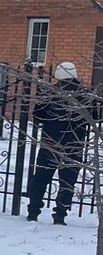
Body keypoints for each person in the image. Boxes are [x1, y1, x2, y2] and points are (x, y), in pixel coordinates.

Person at [27, 61, 102, 225]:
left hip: (50, 142)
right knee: (68, 181)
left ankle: (33, 212)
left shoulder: (50, 93)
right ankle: (60, 215)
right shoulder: (85, 94)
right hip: (75, 143)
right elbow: (95, 117)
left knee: (41, 178)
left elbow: (37, 116)